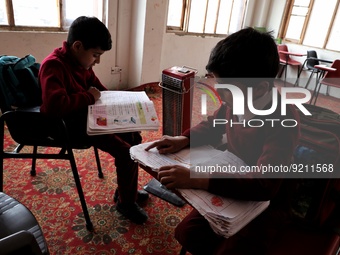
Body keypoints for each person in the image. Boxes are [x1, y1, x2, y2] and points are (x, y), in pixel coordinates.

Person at [145, 27, 300, 254]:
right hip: (231, 178)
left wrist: (198, 179)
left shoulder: (283, 120)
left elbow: (264, 185)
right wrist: (183, 138)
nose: (220, 95)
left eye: (226, 89)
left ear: (261, 88)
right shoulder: (236, 101)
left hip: (265, 204)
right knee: (187, 233)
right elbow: (212, 124)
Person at [38, 16, 148, 225]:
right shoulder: (53, 66)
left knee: (134, 136)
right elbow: (54, 107)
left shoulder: (81, 64)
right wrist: (89, 97)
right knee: (126, 153)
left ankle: (126, 190)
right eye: (95, 55)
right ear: (78, 46)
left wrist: (121, 104)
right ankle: (126, 203)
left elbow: (99, 90)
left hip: (90, 119)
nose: (97, 61)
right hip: (71, 127)